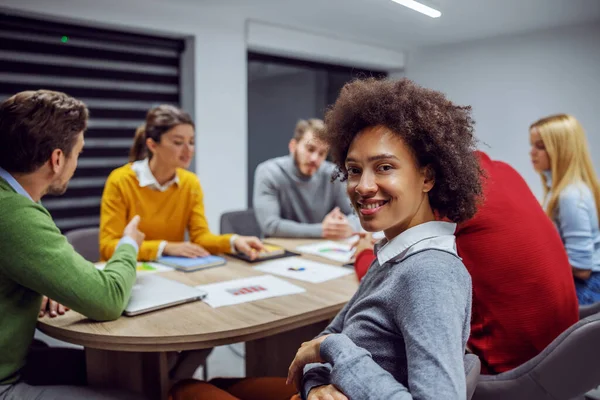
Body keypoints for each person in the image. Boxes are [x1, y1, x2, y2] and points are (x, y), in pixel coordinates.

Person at [170, 77, 482, 400]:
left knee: (184, 391)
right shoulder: (393, 253)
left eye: (384, 167)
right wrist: (317, 382)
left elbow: (331, 343)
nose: (362, 186)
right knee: (220, 382)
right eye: (355, 170)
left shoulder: (430, 275)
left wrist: (337, 351)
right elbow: (326, 337)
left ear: (427, 176)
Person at [352, 150, 579, 374]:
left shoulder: (446, 198)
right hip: (567, 356)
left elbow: (394, 286)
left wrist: (363, 255)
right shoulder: (502, 170)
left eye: (386, 166)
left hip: (510, 372)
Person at [0, 90, 144, 399]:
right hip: (4, 381)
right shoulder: (14, 214)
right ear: (56, 159)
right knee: (138, 391)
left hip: (18, 355)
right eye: (78, 152)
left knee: (134, 369)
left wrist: (37, 286)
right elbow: (108, 298)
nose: (77, 162)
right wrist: (129, 244)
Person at [100, 105, 264, 261]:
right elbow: (108, 246)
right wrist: (165, 247)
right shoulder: (120, 181)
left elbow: (200, 237)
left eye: (191, 142)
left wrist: (233, 241)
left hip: (172, 273)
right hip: (128, 276)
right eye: (178, 142)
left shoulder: (190, 182)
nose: (188, 150)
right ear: (152, 145)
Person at [530, 114, 600, 305]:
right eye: (532, 145)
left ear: (561, 150)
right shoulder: (561, 191)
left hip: (585, 290)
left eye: (540, 146)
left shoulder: (570, 196)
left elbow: (582, 268)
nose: (532, 152)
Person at [253, 119, 360, 239]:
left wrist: (349, 226)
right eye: (310, 149)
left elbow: (356, 214)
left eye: (322, 153)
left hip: (322, 250)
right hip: (282, 251)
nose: (315, 158)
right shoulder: (269, 172)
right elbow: (270, 225)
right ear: (293, 146)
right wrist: (322, 230)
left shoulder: (334, 175)